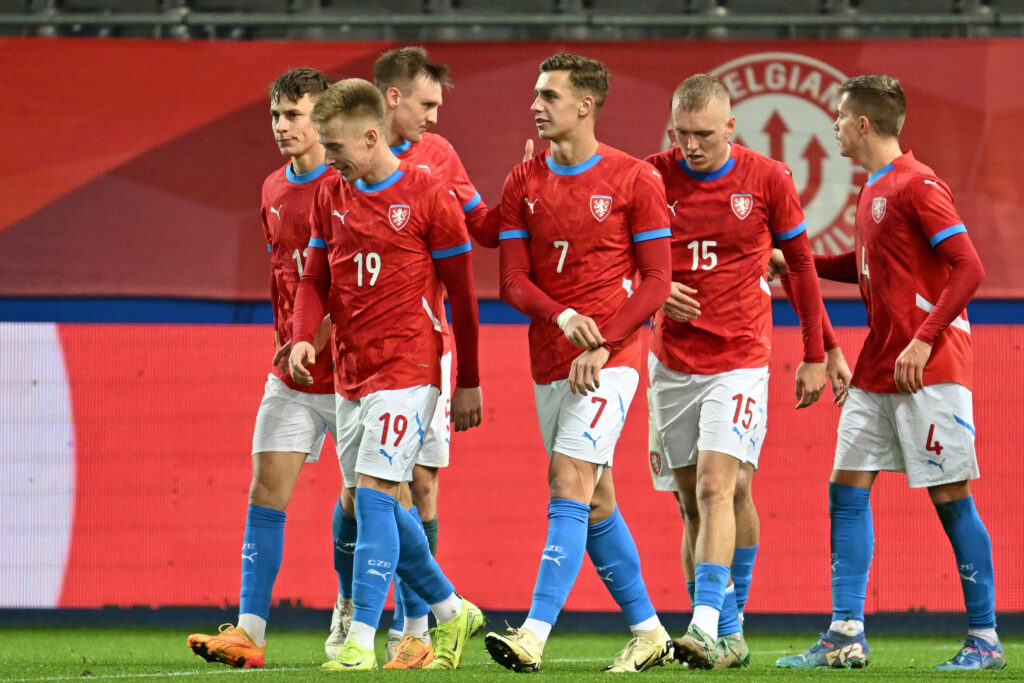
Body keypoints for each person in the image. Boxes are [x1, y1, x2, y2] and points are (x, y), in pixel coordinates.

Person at [775, 74, 1003, 671]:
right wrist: (796, 261)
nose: (834, 126)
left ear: (864, 124)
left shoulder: (918, 184)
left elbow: (970, 267)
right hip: (881, 363)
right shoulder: (875, 187)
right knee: (845, 489)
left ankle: (985, 640)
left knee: (951, 497)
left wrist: (924, 342)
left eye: (840, 117)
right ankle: (845, 633)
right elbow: (868, 264)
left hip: (929, 365)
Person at [643, 74, 844, 669]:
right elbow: (617, 259)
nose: (692, 146)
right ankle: (729, 636)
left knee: (719, 487)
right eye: (681, 134)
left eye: (703, 134)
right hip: (673, 361)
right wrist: (654, 292)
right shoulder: (651, 176)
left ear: (732, 127)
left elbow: (801, 267)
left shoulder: (768, 178)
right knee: (691, 502)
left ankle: (706, 625)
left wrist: (814, 352)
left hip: (740, 359)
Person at [484, 52, 675, 674]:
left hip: (611, 361)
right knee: (593, 503)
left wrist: (602, 341)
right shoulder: (522, 182)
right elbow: (513, 280)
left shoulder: (635, 179)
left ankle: (533, 635)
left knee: (567, 482)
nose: (536, 105)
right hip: (550, 360)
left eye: (549, 95)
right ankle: (649, 633)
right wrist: (563, 318)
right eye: (536, 95)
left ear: (586, 105)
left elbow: (655, 282)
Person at [290, 77, 482, 672]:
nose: (329, 156)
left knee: (375, 496)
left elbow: (464, 297)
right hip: (352, 373)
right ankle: (453, 611)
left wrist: (468, 380)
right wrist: (302, 337)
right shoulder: (331, 195)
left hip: (412, 369)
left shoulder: (429, 195)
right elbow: (314, 279)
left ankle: (360, 641)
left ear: (371, 136)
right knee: (366, 500)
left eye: (336, 145)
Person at [186, 67, 336, 670]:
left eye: (295, 115)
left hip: (356, 374)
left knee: (377, 506)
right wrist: (293, 345)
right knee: (265, 488)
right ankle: (249, 632)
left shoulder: (348, 187)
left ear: (324, 119)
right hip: (291, 375)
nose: (282, 127)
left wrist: (314, 340)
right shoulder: (273, 188)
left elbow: (348, 286)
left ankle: (418, 616)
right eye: (276, 116)